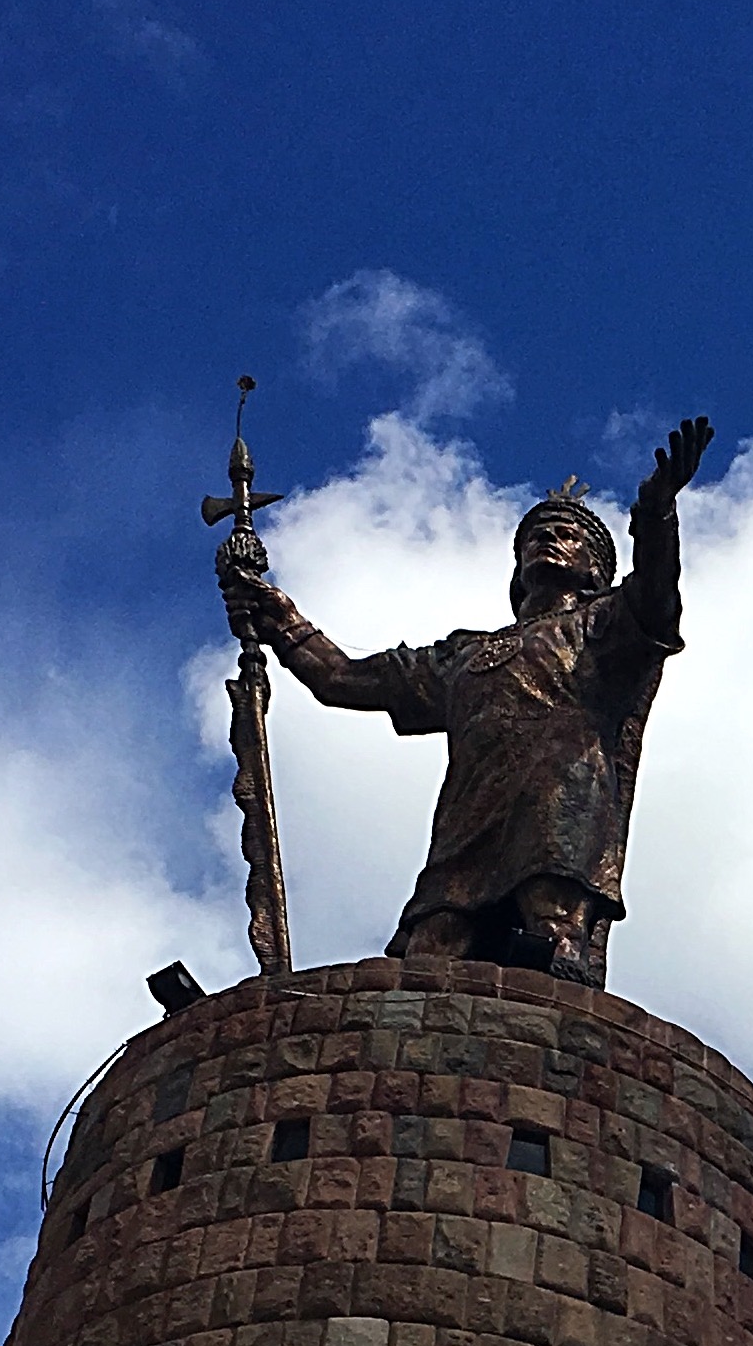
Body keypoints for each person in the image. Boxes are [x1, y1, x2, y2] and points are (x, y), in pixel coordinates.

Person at [217, 418, 714, 986]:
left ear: (595, 569)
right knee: (429, 956)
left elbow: (656, 597)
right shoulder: (464, 655)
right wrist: (277, 618)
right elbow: (343, 678)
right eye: (534, 536)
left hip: (560, 806)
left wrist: (655, 514)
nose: (546, 540)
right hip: (468, 821)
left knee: (553, 939)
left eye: (565, 534)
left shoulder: (603, 627)